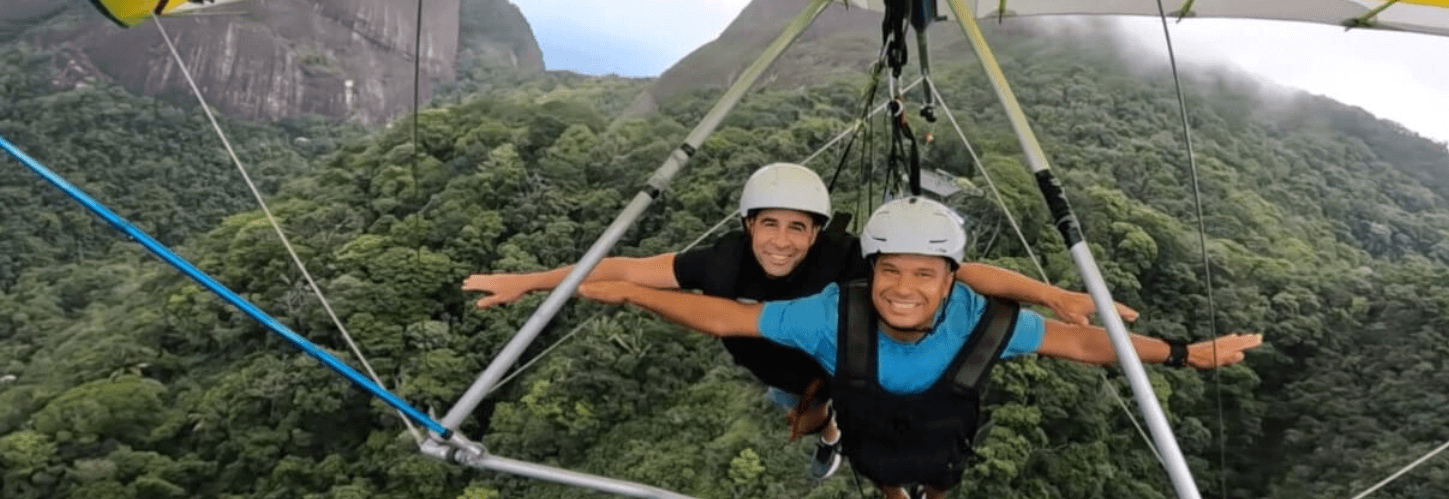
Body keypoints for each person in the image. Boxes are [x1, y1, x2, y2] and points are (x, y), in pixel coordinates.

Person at [461, 163, 1138, 479]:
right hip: (788, 369)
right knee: (808, 416)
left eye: (797, 229)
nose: (782, 242)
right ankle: (828, 436)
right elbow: (626, 270)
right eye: (769, 226)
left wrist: (1051, 295)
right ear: (749, 225)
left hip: (856, 365)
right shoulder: (721, 265)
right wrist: (527, 283)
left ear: (816, 232)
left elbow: (965, 272)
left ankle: (858, 446)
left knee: (883, 429)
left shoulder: (850, 256)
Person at [571, 196, 1263, 498]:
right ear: (871, 270)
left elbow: (1087, 345)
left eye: (924, 274)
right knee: (880, 470)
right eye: (890, 271)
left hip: (939, 437)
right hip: (871, 431)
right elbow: (727, 318)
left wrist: (1182, 353)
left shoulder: (985, 322)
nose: (903, 288)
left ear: (951, 279)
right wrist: (636, 292)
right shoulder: (827, 314)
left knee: (936, 474)